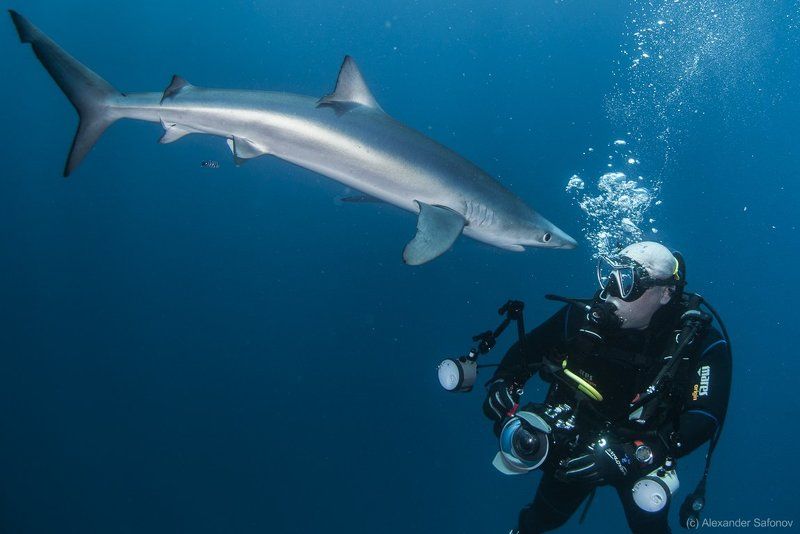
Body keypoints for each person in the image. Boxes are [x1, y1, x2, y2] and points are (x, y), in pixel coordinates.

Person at [482, 241, 731, 533]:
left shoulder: (698, 341)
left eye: (629, 282)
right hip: (578, 441)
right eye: (610, 276)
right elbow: (528, 352)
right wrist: (503, 384)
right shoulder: (585, 317)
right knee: (541, 519)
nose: (612, 292)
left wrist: (634, 455)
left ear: (665, 293)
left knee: (649, 526)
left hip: (641, 451)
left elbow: (705, 416)